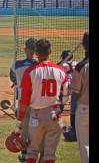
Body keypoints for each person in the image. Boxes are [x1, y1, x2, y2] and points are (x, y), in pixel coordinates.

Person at [17, 39, 69, 163]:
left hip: (35, 117)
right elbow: (66, 96)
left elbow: (24, 100)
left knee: (32, 151)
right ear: (50, 51)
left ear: (36, 52)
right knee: (49, 154)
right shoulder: (61, 71)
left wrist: (20, 119)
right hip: (54, 115)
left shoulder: (29, 72)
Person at [9, 38, 37, 162]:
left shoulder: (16, 64)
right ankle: (33, 155)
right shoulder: (38, 65)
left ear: (25, 49)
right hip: (36, 102)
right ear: (35, 51)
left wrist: (17, 82)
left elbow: (12, 77)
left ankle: (25, 155)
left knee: (23, 130)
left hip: (22, 102)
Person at [70, 32, 89, 163]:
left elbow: (75, 92)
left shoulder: (81, 66)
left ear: (83, 45)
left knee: (85, 146)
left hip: (84, 110)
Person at [59, 50, 79, 142]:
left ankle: (58, 117)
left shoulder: (62, 65)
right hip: (75, 88)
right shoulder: (76, 63)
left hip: (65, 88)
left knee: (60, 104)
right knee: (74, 107)